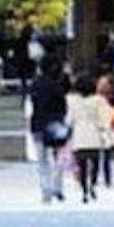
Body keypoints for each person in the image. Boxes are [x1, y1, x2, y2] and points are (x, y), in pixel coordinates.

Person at [27, 61, 70, 203]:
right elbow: (64, 107)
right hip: (56, 124)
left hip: (38, 124)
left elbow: (30, 103)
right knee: (62, 155)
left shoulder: (35, 85)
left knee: (42, 160)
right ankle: (57, 185)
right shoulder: (57, 86)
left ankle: (46, 189)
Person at [66, 72, 110, 204]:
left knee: (82, 165)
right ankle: (93, 184)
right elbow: (104, 118)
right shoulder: (99, 100)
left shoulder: (71, 100)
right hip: (94, 135)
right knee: (95, 163)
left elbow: (69, 119)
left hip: (79, 136)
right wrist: (105, 131)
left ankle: (84, 190)